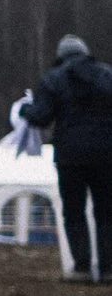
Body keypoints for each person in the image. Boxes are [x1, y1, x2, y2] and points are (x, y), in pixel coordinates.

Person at [25, 34, 112, 281]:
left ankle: (81, 268)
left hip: (70, 157)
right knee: (107, 212)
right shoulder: (107, 75)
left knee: (74, 211)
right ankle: (108, 269)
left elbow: (41, 117)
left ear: (61, 56)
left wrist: (25, 110)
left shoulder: (53, 79)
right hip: (106, 154)